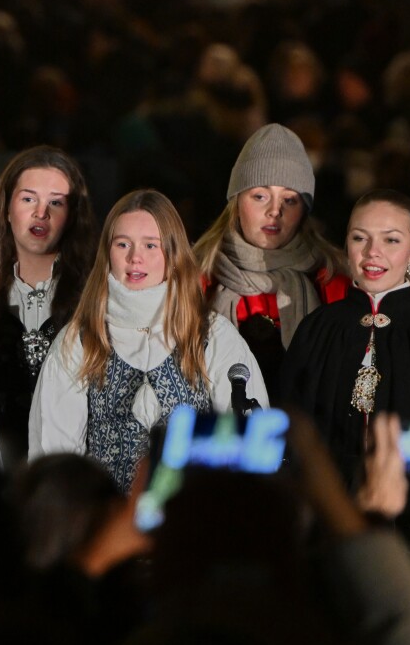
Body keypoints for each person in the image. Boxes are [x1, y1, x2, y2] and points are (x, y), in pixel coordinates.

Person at [29, 189, 267, 492]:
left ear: (173, 254)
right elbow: (55, 459)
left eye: (150, 245)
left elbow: (248, 447)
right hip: (108, 526)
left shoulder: (212, 336)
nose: (134, 257)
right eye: (123, 244)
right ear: (108, 253)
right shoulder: (80, 339)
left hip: (191, 523)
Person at [282, 190, 410, 480]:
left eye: (390, 239)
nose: (372, 252)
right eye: (359, 238)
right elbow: (290, 432)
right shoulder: (317, 329)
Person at [0, 146, 98, 462]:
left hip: (72, 477)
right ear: (6, 209)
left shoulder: (97, 301)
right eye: (28, 199)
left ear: (73, 215)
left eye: (56, 202)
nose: (41, 213)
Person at [194, 123, 348, 390]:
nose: (274, 211)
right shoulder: (197, 277)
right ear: (237, 201)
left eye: (289, 200)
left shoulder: (331, 281)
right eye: (260, 196)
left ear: (304, 210)